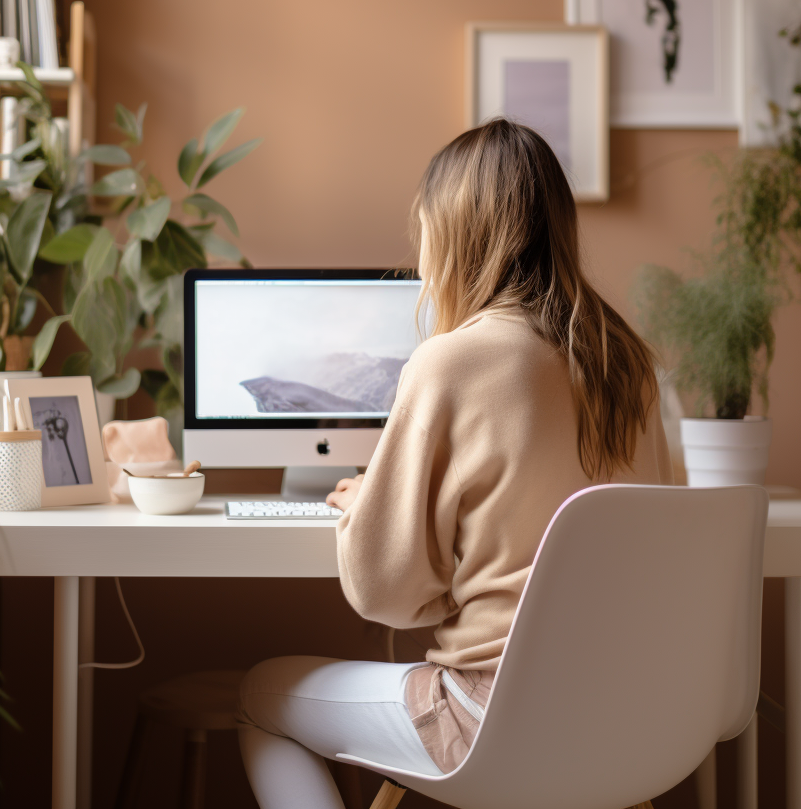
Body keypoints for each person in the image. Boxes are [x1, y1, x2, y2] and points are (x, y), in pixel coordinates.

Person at [237, 119, 673, 808]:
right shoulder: (630, 363)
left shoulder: (451, 361)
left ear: (457, 235)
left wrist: (365, 512)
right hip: (634, 720)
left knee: (261, 693)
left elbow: (385, 594)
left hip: (490, 717)